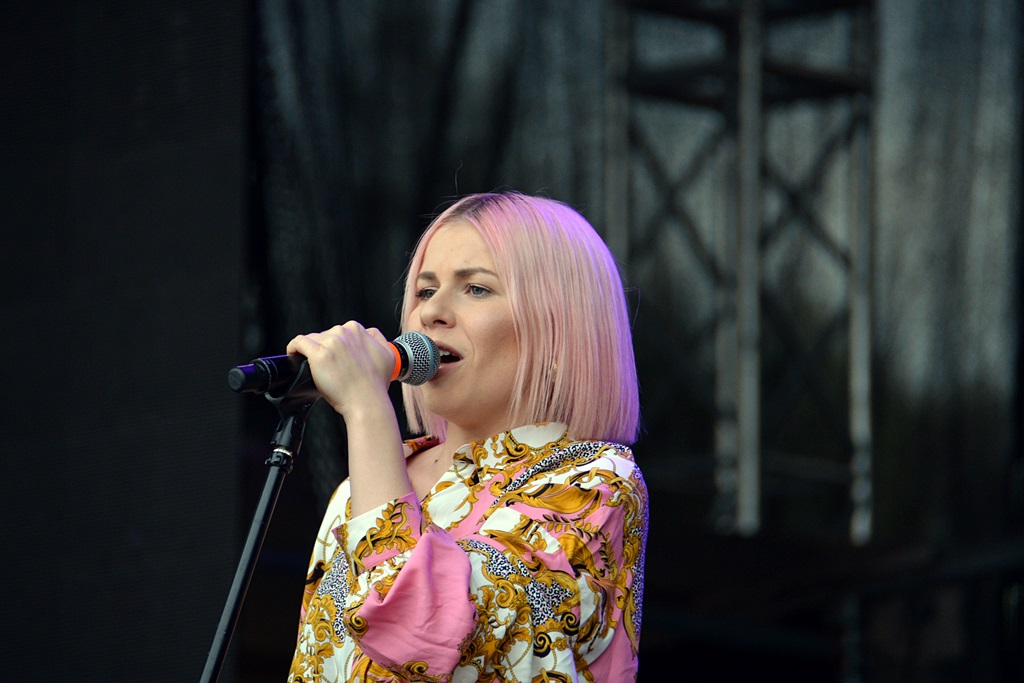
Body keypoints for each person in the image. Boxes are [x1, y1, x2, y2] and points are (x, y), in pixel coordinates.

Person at [284, 191, 647, 682]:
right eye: (424, 291)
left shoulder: (595, 482)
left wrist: (368, 411)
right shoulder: (358, 491)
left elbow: (421, 636)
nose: (431, 312)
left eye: (475, 289)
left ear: (560, 331)